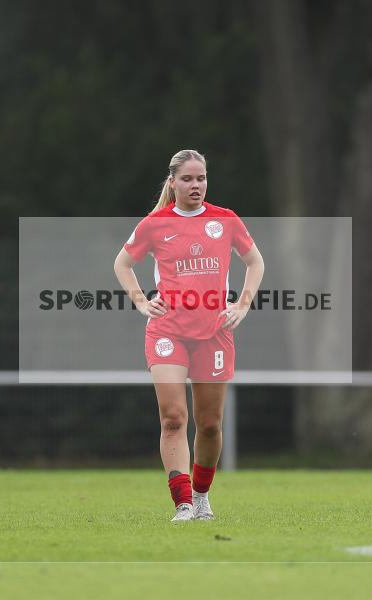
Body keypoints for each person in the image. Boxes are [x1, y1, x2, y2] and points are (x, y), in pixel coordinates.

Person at [114, 149, 264, 522]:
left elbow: (255, 262)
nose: (195, 185)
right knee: (173, 418)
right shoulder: (155, 224)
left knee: (210, 423)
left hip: (214, 332)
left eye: (201, 178)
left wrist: (241, 305)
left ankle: (201, 496)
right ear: (173, 182)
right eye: (187, 179)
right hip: (168, 331)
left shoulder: (225, 220)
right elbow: (122, 262)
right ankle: (182, 502)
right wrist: (140, 301)